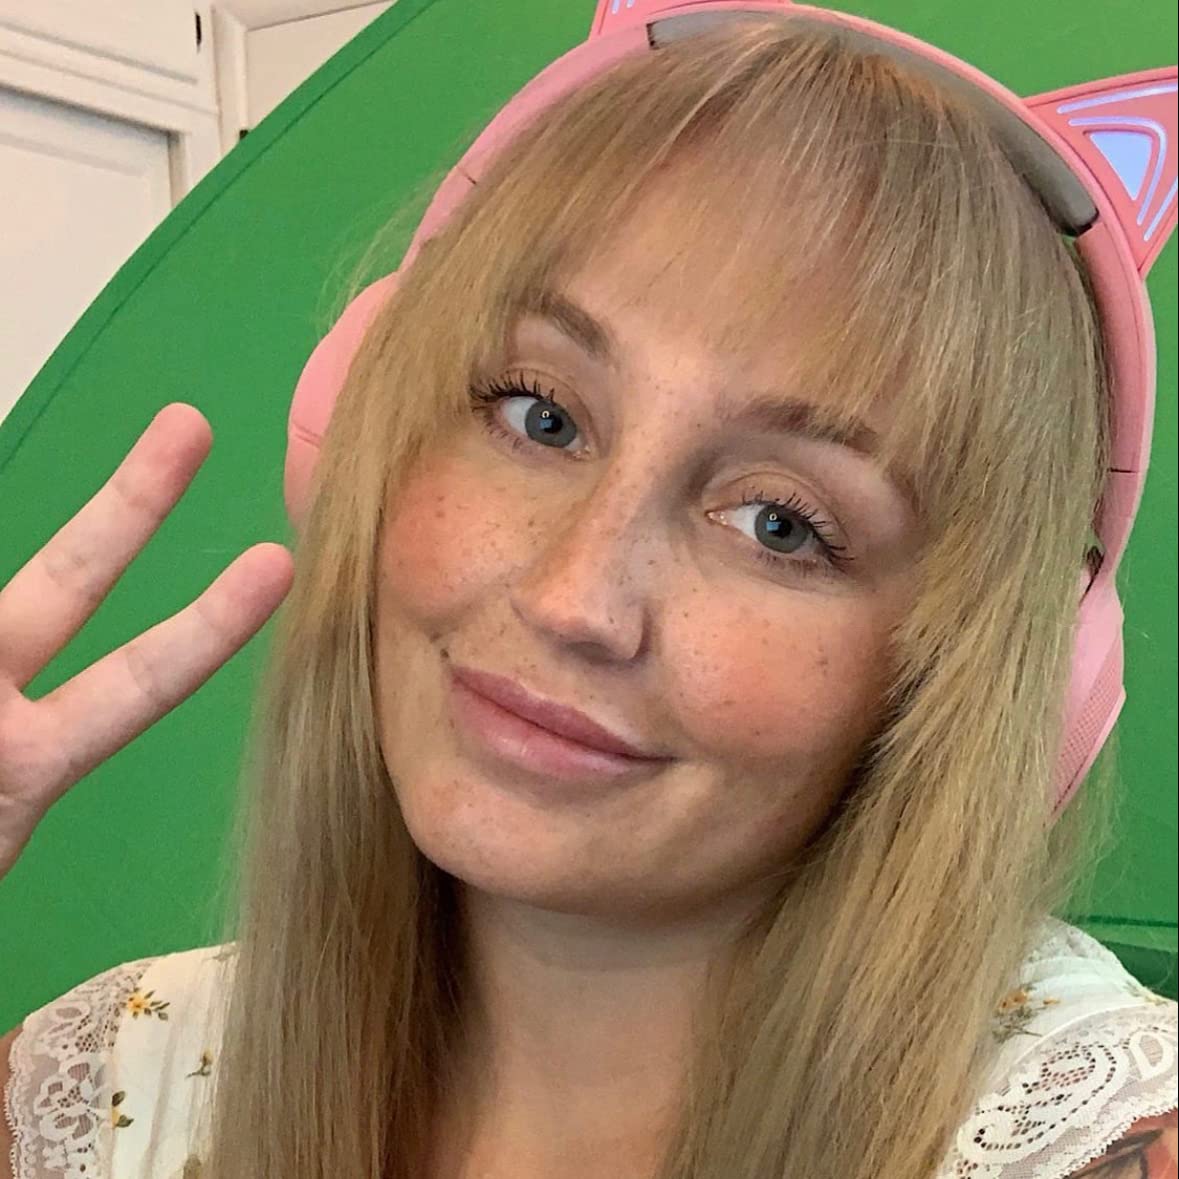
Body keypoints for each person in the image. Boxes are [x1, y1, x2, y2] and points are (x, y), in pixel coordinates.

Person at [2, 2, 1177, 1177]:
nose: (573, 599)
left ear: (980, 680)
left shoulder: (1091, 1135)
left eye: (779, 525)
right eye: (540, 416)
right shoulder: (104, 1089)